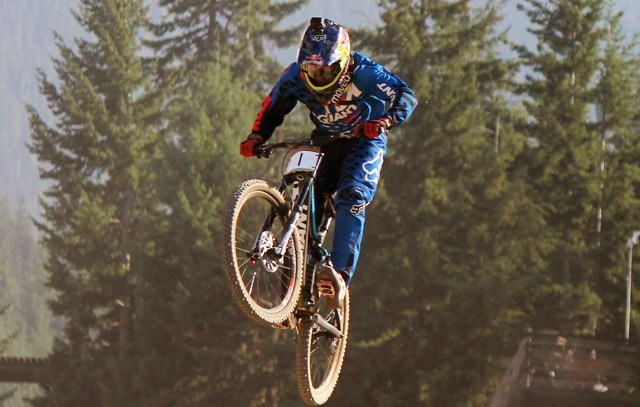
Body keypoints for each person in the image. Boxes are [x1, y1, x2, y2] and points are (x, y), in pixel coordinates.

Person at [240, 17, 417, 308]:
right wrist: (257, 135)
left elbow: (406, 94)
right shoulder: (295, 76)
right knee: (304, 205)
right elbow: (272, 107)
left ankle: (339, 276)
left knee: (352, 196)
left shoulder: (365, 72)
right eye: (313, 70)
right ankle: (291, 293)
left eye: (326, 70)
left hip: (364, 141)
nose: (319, 77)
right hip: (324, 142)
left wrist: (385, 121)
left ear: (344, 63)